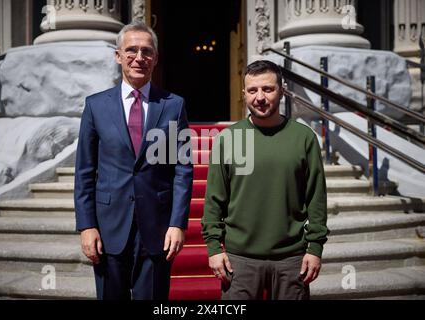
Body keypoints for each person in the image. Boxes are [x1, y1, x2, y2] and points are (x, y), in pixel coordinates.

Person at [74, 22, 193, 300]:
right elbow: (84, 171)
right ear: (118, 56)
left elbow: (183, 170)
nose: (139, 57)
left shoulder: (174, 106)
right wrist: (86, 225)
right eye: (131, 50)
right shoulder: (95, 106)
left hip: (157, 230)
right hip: (108, 227)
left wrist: (178, 224)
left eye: (146, 51)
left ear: (156, 58)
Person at [201, 60, 329, 300]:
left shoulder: (303, 138)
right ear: (244, 94)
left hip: (292, 260)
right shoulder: (228, 139)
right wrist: (213, 248)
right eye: (252, 90)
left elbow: (316, 198)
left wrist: (315, 247)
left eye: (267, 89)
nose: (260, 97)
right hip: (240, 260)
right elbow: (214, 200)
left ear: (281, 90)